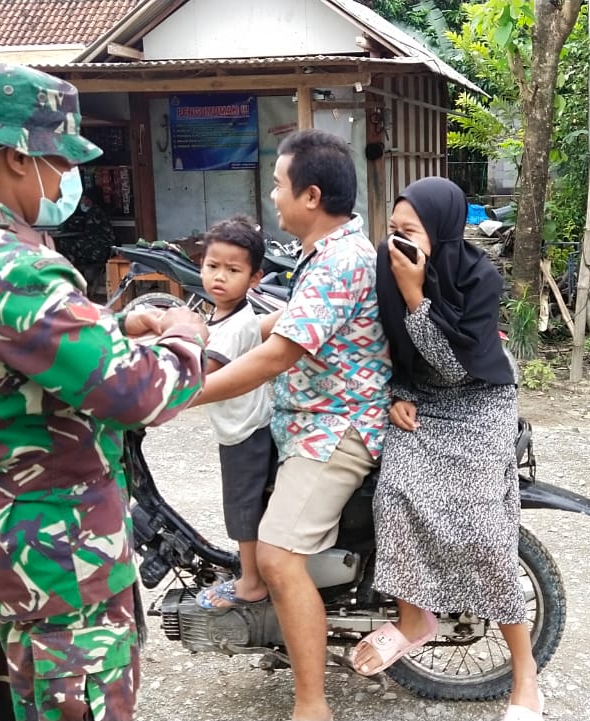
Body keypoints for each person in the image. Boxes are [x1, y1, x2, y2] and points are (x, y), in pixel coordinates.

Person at [0, 63, 209, 721]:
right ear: (18, 157)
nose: (70, 181)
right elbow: (139, 390)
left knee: (4, 700)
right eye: (62, 163)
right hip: (56, 558)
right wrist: (185, 336)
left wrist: (118, 322)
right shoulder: (7, 264)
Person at [194, 128, 391, 721]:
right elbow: (281, 322)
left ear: (310, 195)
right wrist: (200, 332)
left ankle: (312, 705)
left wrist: (180, 395)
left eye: (279, 185)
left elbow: (280, 353)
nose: (272, 197)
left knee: (277, 556)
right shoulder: (330, 255)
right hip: (309, 421)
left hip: (333, 430)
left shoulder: (338, 260)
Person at [349, 177, 542, 721]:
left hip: (480, 401)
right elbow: (391, 350)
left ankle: (524, 673)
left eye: (410, 232)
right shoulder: (387, 275)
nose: (398, 243)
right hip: (425, 403)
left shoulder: (480, 277)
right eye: (392, 232)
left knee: (484, 530)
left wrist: (415, 295)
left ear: (440, 231)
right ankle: (414, 619)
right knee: (395, 494)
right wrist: (399, 393)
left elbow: (458, 363)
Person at [193, 216, 276, 610]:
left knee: (242, 507)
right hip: (247, 428)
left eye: (232, 270)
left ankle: (252, 583)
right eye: (212, 266)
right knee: (248, 503)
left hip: (245, 433)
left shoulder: (232, 327)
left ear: (254, 278)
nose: (219, 278)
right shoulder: (229, 317)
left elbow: (199, 374)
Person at [59, 185, 116, 299]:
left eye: (83, 199)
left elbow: (89, 234)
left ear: (88, 200)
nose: (81, 202)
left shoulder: (95, 212)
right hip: (101, 249)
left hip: (99, 250)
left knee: (65, 245)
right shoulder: (96, 211)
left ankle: (68, 276)